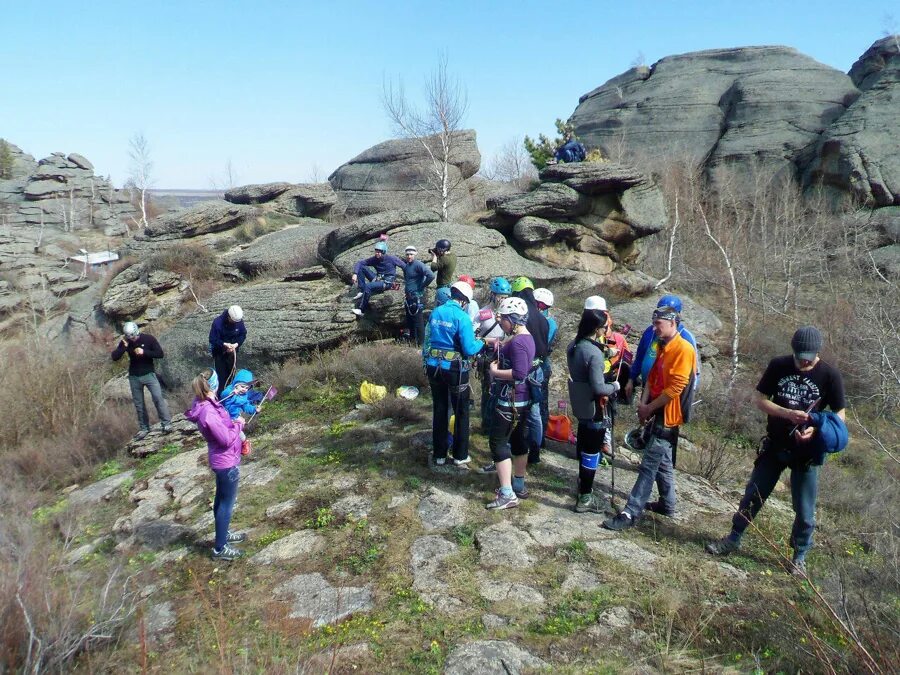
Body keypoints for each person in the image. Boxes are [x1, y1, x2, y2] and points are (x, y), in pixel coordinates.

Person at [706, 326, 846, 576]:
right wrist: (786, 413)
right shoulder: (779, 365)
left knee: (805, 511)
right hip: (776, 444)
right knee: (753, 494)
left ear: (817, 352)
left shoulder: (830, 375)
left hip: (807, 453)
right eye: (799, 355)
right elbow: (760, 399)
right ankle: (734, 537)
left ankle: (799, 556)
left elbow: (839, 415)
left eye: (808, 357)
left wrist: (815, 430)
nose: (803, 361)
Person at [603, 304, 697, 531]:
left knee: (649, 465)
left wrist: (649, 408)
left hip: (669, 415)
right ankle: (668, 504)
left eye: (658, 324)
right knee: (661, 460)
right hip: (655, 408)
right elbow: (652, 376)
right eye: (654, 323)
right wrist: (643, 405)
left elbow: (675, 388)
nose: (654, 328)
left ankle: (629, 513)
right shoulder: (661, 345)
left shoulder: (683, 349)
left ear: (672, 323)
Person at [185, 372, 247, 561]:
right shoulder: (208, 411)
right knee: (226, 504)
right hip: (226, 462)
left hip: (223, 460)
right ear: (213, 385)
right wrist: (238, 425)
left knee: (221, 500)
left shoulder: (205, 403)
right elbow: (226, 439)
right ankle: (220, 548)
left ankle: (223, 533)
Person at [567, 305, 621, 513]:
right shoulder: (594, 355)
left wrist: (606, 352)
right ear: (598, 328)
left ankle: (582, 486)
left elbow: (588, 353)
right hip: (595, 407)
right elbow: (599, 387)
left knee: (583, 446)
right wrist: (614, 386)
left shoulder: (574, 345)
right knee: (591, 452)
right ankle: (585, 497)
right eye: (604, 326)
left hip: (580, 405)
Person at [424, 280, 485, 468]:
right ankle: (460, 455)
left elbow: (429, 339)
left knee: (440, 409)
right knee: (461, 411)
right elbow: (469, 348)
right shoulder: (462, 317)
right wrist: (482, 342)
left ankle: (439, 455)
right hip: (455, 370)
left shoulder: (436, 312)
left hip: (434, 367)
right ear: (465, 300)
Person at [483, 297, 535, 510]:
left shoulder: (520, 342)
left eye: (503, 318)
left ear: (512, 319)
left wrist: (495, 373)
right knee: (518, 440)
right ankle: (519, 484)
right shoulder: (524, 338)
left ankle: (507, 493)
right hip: (521, 400)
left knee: (497, 443)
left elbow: (520, 373)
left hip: (510, 400)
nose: (500, 322)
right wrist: (498, 344)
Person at [625, 294, 699, 405]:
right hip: (649, 388)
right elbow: (640, 357)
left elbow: (693, 373)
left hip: (669, 396)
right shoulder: (650, 331)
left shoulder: (686, 338)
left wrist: (686, 399)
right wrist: (631, 379)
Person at [111, 321, 172, 441]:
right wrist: (123, 348)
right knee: (139, 404)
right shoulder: (126, 342)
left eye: (133, 336)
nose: (132, 339)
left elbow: (160, 354)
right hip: (134, 376)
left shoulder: (148, 339)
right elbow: (114, 357)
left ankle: (166, 423)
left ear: (137, 332)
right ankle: (144, 428)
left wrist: (144, 352)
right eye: (130, 337)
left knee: (158, 398)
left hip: (149, 374)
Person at [511, 277, 549, 465]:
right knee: (534, 411)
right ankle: (536, 448)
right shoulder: (543, 318)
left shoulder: (520, 313)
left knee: (516, 407)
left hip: (524, 366)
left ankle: (517, 446)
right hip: (539, 366)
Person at [476, 277, 511, 436]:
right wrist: (488, 341)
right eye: (500, 296)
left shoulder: (510, 314)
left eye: (505, 297)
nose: (502, 300)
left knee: (503, 390)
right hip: (489, 354)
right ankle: (487, 425)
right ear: (493, 295)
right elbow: (473, 334)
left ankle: (501, 423)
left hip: (505, 354)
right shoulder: (484, 313)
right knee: (488, 389)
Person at [351, 241, 406, 317]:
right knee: (362, 268)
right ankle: (362, 290)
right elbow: (360, 263)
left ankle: (361, 310)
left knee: (369, 286)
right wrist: (355, 273)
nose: (377, 253)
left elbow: (404, 267)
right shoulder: (374, 259)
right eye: (376, 251)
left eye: (379, 252)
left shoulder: (392, 259)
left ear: (384, 252)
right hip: (378, 279)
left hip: (387, 282)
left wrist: (409, 278)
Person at [533, 287, 558, 446]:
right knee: (541, 402)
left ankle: (539, 439)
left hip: (539, 363)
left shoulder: (546, 323)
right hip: (543, 363)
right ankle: (538, 438)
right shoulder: (550, 322)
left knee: (539, 402)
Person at [220, 369, 265, 455]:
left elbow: (246, 406)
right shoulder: (229, 390)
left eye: (247, 388)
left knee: (238, 433)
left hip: (234, 417)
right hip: (223, 416)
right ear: (236, 385)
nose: (244, 389)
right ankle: (229, 447)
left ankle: (245, 443)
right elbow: (223, 395)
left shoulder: (243, 396)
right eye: (242, 386)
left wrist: (254, 409)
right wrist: (231, 392)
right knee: (223, 434)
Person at [209, 305, 247, 397]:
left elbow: (243, 334)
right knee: (221, 377)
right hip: (219, 353)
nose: (234, 323)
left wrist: (236, 344)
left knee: (232, 374)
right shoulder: (218, 323)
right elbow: (213, 339)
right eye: (233, 321)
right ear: (229, 317)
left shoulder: (239, 321)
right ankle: (221, 397)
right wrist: (224, 344)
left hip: (232, 352)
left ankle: (232, 395)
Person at [401, 245, 435, 346]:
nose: (409, 256)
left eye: (411, 254)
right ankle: (413, 342)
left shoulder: (418, 264)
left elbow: (431, 275)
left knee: (418, 322)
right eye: (407, 254)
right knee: (410, 321)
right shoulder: (407, 266)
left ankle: (421, 345)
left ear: (415, 254)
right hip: (409, 297)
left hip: (417, 297)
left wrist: (421, 287)